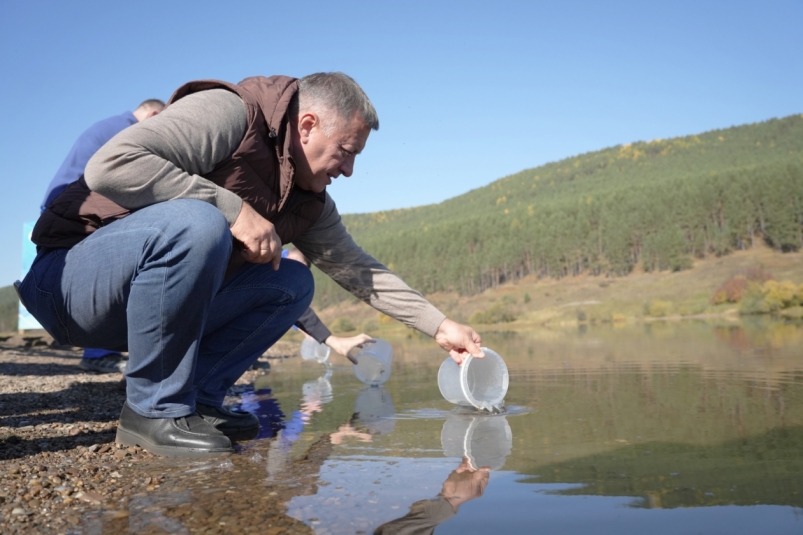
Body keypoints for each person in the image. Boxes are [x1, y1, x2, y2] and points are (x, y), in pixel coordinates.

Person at [18, 72, 485, 458]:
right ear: (307, 126)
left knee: (294, 282)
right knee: (199, 222)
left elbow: (361, 272)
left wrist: (440, 326)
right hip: (69, 285)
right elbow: (110, 164)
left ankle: (194, 399)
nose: (348, 171)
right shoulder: (229, 113)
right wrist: (234, 211)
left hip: (143, 309)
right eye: (346, 151)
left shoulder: (310, 204)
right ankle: (152, 410)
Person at [40, 99, 166, 374]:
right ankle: (98, 353)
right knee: (110, 277)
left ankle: (105, 350)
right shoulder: (125, 130)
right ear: (154, 114)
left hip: (70, 207)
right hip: (75, 211)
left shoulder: (112, 125)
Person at [282, 247, 372, 359]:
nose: (298, 275)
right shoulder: (276, 264)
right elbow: (293, 303)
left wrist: (308, 333)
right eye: (299, 268)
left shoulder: (282, 268)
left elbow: (289, 308)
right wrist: (332, 341)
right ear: (292, 258)